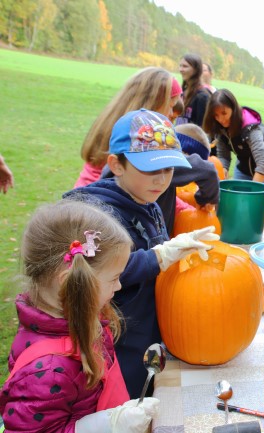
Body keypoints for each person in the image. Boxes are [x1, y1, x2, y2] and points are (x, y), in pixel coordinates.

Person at [65, 109, 219, 399]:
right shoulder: (100, 215)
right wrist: (160, 256)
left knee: (149, 392)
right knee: (123, 398)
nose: (161, 180)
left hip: (147, 329)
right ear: (117, 165)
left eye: (168, 170)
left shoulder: (150, 202)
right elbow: (104, 270)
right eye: (150, 169)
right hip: (118, 341)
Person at [0, 199, 160, 432]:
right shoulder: (49, 372)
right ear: (71, 283)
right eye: (114, 278)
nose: (118, 287)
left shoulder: (82, 315)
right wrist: (106, 425)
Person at [75, 68, 183, 188]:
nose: (170, 113)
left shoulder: (115, 123)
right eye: (170, 106)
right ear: (152, 105)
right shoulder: (136, 137)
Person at [203, 88, 264, 190]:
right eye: (216, 115)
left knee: (258, 199)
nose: (221, 119)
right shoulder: (220, 128)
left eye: (224, 113)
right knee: (238, 198)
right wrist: (223, 169)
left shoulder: (250, 128)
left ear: (233, 108)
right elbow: (223, 155)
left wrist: (253, 190)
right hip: (243, 169)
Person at [177, 53, 211, 126]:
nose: (181, 69)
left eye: (185, 66)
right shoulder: (182, 92)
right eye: (180, 66)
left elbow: (201, 127)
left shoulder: (202, 96)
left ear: (196, 70)